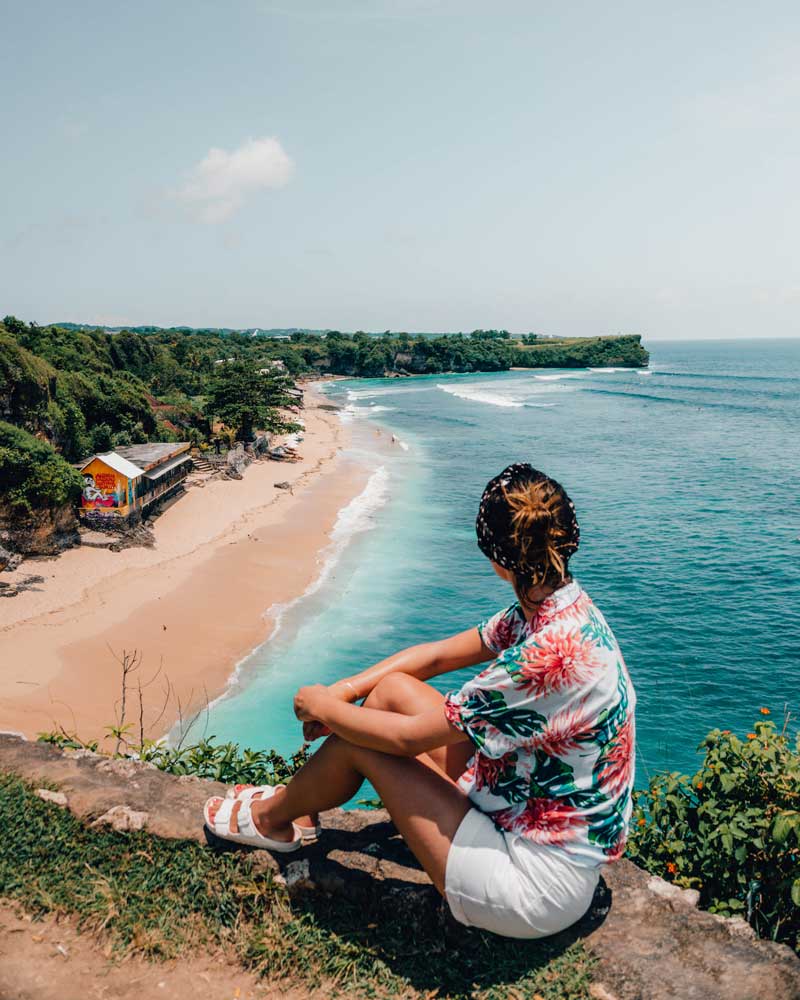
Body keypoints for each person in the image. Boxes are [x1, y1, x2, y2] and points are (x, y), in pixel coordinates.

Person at [204, 463, 636, 939]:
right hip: (524, 817)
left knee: (361, 743)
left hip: (531, 884)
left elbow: (407, 738)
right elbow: (433, 658)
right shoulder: (560, 608)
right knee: (389, 693)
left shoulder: (545, 656)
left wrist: (322, 706)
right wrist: (347, 690)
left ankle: (271, 819)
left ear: (495, 556)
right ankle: (301, 806)